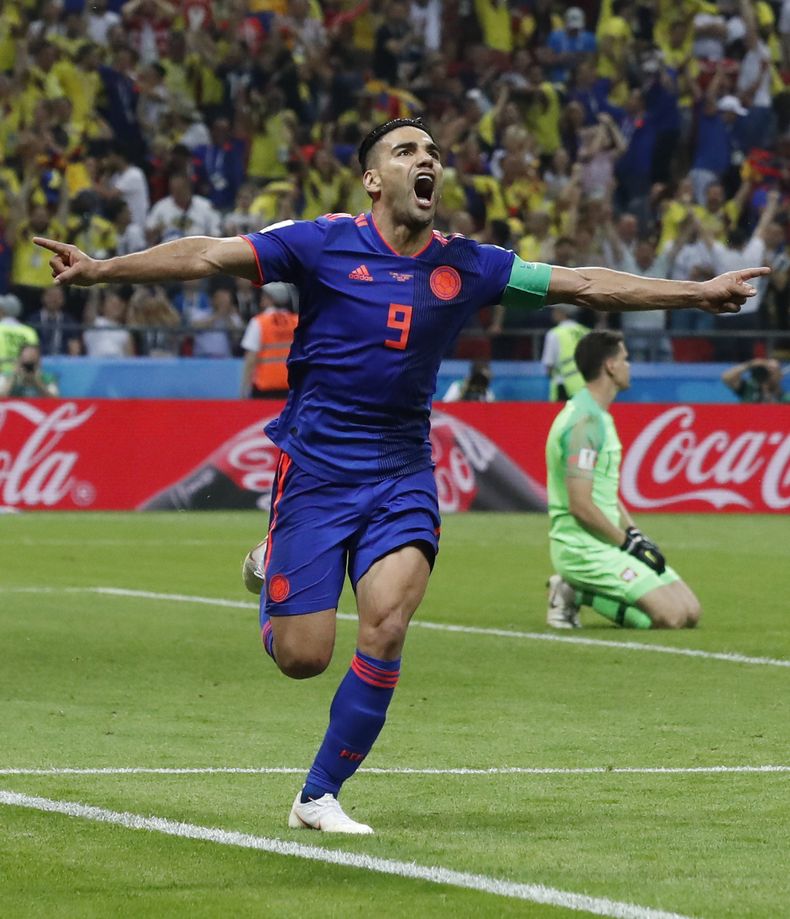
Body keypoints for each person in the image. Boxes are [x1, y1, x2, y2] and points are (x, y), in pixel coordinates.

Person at [34, 117, 768, 835]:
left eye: (435, 152)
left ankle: (318, 795)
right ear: (373, 178)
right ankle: (273, 563)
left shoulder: (468, 263)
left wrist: (697, 292)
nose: (429, 161)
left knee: (386, 624)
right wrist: (103, 269)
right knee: (303, 657)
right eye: (408, 149)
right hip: (317, 469)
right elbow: (204, 256)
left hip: (402, 469)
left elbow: (584, 283)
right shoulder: (320, 243)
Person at [545, 330, 701, 631]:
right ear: (610, 366)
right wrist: (626, 544)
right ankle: (573, 590)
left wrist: (634, 532)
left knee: (691, 612)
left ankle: (581, 589)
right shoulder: (584, 423)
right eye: (625, 359)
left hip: (608, 540)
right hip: (582, 548)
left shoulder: (598, 416)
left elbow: (603, 489)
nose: (629, 366)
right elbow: (580, 504)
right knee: (670, 618)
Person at [240, 282, 298, 399]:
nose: (261, 298)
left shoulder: (259, 322)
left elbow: (251, 358)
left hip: (265, 388)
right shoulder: (296, 321)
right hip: (292, 387)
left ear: (271, 298)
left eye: (264, 295)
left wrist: (244, 388)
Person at [540, 304, 587, 401]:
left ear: (562, 313)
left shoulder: (554, 334)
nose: (553, 313)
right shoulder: (586, 332)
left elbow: (549, 364)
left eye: (555, 310)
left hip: (563, 386)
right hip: (586, 386)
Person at [721, 357, 789, 403]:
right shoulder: (749, 388)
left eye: (774, 370)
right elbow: (727, 377)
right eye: (768, 369)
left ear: (781, 375)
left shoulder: (785, 398)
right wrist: (750, 364)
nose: (770, 373)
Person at [0, 293, 38, 375]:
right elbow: (34, 359)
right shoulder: (29, 331)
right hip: (23, 375)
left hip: (2, 374)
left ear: (2, 310)